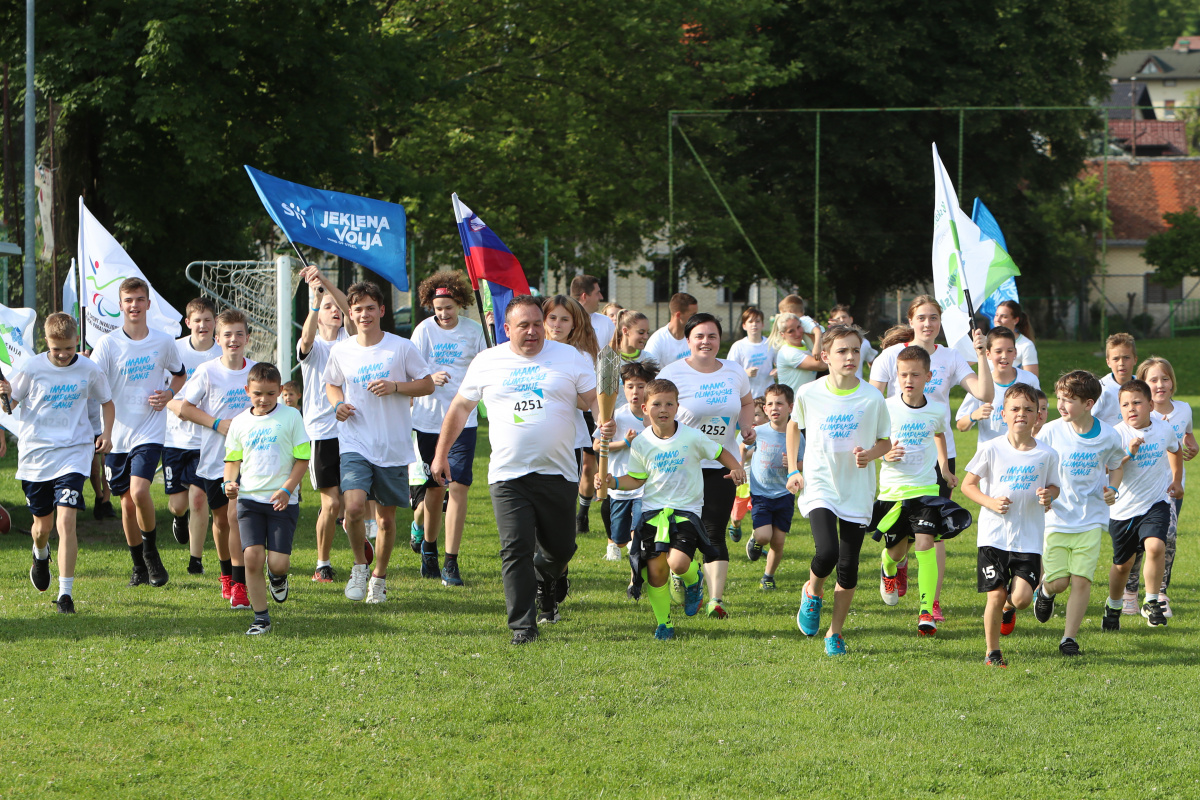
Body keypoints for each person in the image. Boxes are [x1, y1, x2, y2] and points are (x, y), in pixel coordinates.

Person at [432, 296, 611, 644]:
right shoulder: (488, 361)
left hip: (559, 471)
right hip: (507, 474)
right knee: (515, 549)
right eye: (524, 325)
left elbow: (594, 398)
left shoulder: (568, 357)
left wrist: (603, 420)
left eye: (537, 324)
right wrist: (441, 454)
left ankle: (546, 576)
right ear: (506, 328)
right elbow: (460, 408)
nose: (532, 331)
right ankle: (523, 627)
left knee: (561, 549)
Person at [869, 295, 991, 622]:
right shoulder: (891, 356)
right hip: (899, 459)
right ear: (910, 321)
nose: (927, 323)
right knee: (903, 539)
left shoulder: (951, 357)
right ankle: (895, 562)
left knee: (931, 533)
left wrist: (982, 355)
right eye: (921, 317)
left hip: (939, 457)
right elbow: (870, 404)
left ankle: (930, 604)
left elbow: (984, 393)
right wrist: (881, 448)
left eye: (933, 317)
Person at [598, 378, 746, 639]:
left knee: (677, 563)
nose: (663, 409)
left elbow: (719, 451)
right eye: (657, 404)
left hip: (686, 511)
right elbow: (637, 478)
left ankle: (694, 578)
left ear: (678, 407)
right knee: (656, 573)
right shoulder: (641, 443)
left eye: (669, 404)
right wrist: (614, 482)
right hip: (653, 514)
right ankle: (664, 623)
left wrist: (735, 467)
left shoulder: (692, 436)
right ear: (645, 409)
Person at [325, 281, 434, 604]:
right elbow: (332, 384)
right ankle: (360, 567)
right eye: (358, 309)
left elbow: (427, 384)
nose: (364, 314)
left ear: (382, 310)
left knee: (386, 520)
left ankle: (379, 578)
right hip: (355, 441)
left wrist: (395, 386)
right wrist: (338, 404)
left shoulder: (401, 347)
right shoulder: (341, 350)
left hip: (392, 445)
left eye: (370, 308)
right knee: (354, 507)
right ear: (350, 313)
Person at [788, 325, 890, 655]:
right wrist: (793, 469)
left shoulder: (872, 397)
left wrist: (870, 455)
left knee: (848, 567)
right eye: (842, 351)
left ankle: (835, 633)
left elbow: (886, 441)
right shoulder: (809, 393)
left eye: (855, 350)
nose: (850, 357)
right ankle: (813, 591)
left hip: (857, 489)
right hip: (820, 484)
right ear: (825, 356)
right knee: (827, 552)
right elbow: (793, 425)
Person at [2, 313, 114, 613]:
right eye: (56, 349)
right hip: (36, 457)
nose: (63, 355)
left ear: (77, 340)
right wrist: (6, 397)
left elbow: (107, 401)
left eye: (69, 348)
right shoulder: (32, 368)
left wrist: (107, 433)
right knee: (42, 528)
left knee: (66, 521)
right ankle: (40, 554)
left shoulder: (89, 369)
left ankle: (65, 594)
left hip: (74, 453)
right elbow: (10, 407)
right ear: (46, 343)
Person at [659, 312, 756, 618]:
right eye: (699, 336)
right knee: (681, 534)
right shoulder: (672, 373)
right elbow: (658, 413)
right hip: (682, 466)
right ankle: (684, 574)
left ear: (720, 340)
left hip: (722, 465)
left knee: (715, 532)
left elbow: (747, 402)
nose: (706, 341)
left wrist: (746, 426)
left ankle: (716, 600)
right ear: (688, 340)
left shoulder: (734, 371)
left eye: (712, 336)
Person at [91, 277, 186, 588]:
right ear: (120, 305)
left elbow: (180, 374)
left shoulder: (163, 341)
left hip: (149, 429)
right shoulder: (107, 344)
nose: (134, 305)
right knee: (127, 504)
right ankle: (138, 566)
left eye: (139, 299)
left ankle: (151, 554)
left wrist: (169, 394)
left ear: (148, 303)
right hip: (117, 435)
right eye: (128, 300)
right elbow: (91, 379)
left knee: (140, 491)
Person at [871, 346, 970, 636]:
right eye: (903, 375)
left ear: (928, 376)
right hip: (893, 491)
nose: (908, 380)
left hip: (925, 488)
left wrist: (945, 468)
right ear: (896, 376)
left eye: (915, 374)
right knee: (897, 551)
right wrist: (884, 454)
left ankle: (926, 611)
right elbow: (873, 441)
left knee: (926, 542)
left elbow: (939, 433)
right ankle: (889, 567)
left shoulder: (937, 409)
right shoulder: (886, 407)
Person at [960, 383, 1060, 667]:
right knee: (995, 593)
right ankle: (992, 652)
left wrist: (1048, 495)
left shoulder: (1047, 454)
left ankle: (1009, 606)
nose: (1021, 414)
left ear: (1038, 416)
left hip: (1029, 538)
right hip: (993, 536)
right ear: (1003, 414)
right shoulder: (991, 448)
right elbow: (968, 485)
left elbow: (1054, 486)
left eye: (1029, 409)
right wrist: (990, 502)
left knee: (1022, 599)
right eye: (1015, 409)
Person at [1031, 371, 1126, 656]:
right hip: (1056, 517)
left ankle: (1069, 638)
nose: (1061, 405)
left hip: (1091, 518)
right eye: (1059, 398)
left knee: (1082, 579)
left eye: (1069, 400)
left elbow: (1116, 465)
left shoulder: (1109, 435)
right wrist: (1042, 494)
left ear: (1088, 404)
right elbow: (1036, 462)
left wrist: (1113, 488)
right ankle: (1045, 591)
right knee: (1059, 581)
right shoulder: (1051, 431)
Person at [411, 271, 487, 586]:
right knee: (435, 488)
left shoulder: (473, 331)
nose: (443, 314)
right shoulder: (423, 331)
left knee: (458, 487)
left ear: (460, 304)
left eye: (449, 307)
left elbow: (485, 365)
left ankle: (450, 561)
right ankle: (428, 546)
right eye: (438, 308)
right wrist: (430, 377)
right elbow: (410, 369)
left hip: (463, 420)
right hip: (428, 420)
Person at [222, 362, 310, 635]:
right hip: (249, 501)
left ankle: (277, 577)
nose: (264, 399)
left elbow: (302, 459)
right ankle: (261, 618)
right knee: (252, 557)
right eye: (258, 393)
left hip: (282, 501)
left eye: (271, 393)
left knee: (278, 563)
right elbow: (232, 460)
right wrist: (228, 483)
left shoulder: (292, 416)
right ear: (247, 390)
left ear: (280, 390)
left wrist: (287, 489)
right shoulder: (239, 422)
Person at [177, 309, 256, 609]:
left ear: (247, 338)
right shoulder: (207, 371)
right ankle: (226, 575)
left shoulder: (258, 370)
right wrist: (217, 424)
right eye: (227, 335)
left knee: (237, 518)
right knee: (222, 521)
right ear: (218, 338)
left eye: (239, 334)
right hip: (215, 461)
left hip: (251, 461)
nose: (233, 340)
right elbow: (185, 408)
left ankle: (240, 584)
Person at [1102, 379, 1183, 630]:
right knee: (1123, 565)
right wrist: (1129, 453)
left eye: (1137, 402)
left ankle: (1151, 601)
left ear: (1150, 405)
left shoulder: (1163, 429)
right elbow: (1107, 468)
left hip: (1156, 503)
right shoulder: (1116, 434)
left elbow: (1175, 449)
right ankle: (1114, 605)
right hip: (1123, 509)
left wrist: (1176, 479)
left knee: (1156, 546)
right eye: (1125, 404)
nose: (1131, 408)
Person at [1123, 357, 1197, 617]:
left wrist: (1192, 443)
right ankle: (1130, 591)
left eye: (1165, 378)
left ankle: (1160, 593)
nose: (1160, 384)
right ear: (1143, 385)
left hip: (1171, 489)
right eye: (1153, 380)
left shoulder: (1184, 409)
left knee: (1168, 538)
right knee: (1137, 544)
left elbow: (1186, 434)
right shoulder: (1140, 413)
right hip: (1139, 491)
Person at [296, 267, 355, 583]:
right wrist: (316, 301)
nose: (335, 311)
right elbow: (306, 339)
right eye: (327, 308)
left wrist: (326, 284)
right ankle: (322, 564)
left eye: (336, 307)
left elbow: (351, 310)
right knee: (331, 504)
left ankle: (358, 550)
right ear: (318, 315)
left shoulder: (350, 340)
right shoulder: (314, 346)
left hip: (353, 430)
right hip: (322, 432)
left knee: (353, 502)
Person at [163, 297, 220, 576]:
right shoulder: (174, 350)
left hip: (206, 439)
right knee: (178, 505)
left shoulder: (223, 352)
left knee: (199, 498)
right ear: (188, 323)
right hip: (174, 439)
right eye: (197, 320)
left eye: (208, 320)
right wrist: (177, 406)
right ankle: (179, 518)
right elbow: (160, 388)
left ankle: (195, 561)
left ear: (215, 322)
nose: (203, 325)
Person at [542, 295, 601, 537]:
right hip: (531, 435)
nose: (557, 324)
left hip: (567, 438)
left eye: (564, 319)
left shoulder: (580, 356)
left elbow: (587, 403)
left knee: (561, 499)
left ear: (574, 324)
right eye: (552, 318)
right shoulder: (529, 352)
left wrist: (558, 390)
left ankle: (557, 548)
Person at [597, 361, 656, 570]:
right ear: (623, 388)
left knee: (640, 527)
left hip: (645, 485)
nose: (635, 392)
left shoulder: (655, 416)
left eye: (641, 386)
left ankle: (638, 558)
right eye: (630, 386)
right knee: (619, 538)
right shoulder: (616, 415)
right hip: (619, 484)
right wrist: (625, 443)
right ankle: (621, 544)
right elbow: (597, 445)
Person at [745, 384, 799, 590]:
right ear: (765, 409)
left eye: (780, 403)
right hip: (761, 492)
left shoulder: (796, 434)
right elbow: (742, 447)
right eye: (770, 404)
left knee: (778, 541)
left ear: (790, 407)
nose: (774, 407)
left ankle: (768, 576)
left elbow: (806, 460)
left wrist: (794, 465)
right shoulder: (758, 432)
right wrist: (739, 466)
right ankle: (755, 539)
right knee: (764, 536)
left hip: (785, 493)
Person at [956, 326, 1039, 445]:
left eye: (1009, 350)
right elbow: (960, 425)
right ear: (988, 354)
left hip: (1021, 451)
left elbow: (1040, 416)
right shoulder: (981, 385)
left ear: (1015, 353)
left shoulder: (1030, 380)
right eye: (998, 351)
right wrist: (974, 416)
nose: (1004, 356)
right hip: (990, 453)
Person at [728, 397, 767, 542]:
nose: (753, 419)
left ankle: (756, 542)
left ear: (767, 417)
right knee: (737, 515)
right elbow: (739, 452)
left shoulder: (768, 434)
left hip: (761, 483)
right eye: (752, 415)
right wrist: (757, 451)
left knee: (760, 514)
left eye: (757, 415)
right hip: (744, 482)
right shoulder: (745, 434)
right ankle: (735, 525)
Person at [768, 312, 824, 398]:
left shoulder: (805, 344)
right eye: (791, 331)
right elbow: (822, 365)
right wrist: (816, 332)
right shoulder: (787, 352)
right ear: (782, 334)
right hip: (793, 404)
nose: (798, 333)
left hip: (805, 401)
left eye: (799, 327)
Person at [728, 307, 775, 399]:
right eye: (750, 322)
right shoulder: (738, 346)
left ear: (762, 324)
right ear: (744, 326)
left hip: (768, 395)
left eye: (757, 321)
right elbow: (730, 372)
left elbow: (780, 364)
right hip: (747, 396)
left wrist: (777, 371)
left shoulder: (771, 344)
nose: (754, 324)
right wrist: (745, 373)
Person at [1092, 333, 1136, 427]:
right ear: (1108, 362)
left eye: (1126, 358)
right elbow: (1087, 419)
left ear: (1135, 360)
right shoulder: (1100, 388)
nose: (1121, 363)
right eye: (1116, 359)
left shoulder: (1143, 384)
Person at [644, 292, 698, 368]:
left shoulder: (695, 337)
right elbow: (648, 370)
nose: (696, 319)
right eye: (693, 315)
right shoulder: (658, 340)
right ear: (678, 315)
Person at [570, 274, 615, 359]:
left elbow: (615, 354)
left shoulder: (605, 322)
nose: (601, 297)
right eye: (597, 293)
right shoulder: (564, 321)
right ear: (584, 296)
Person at [828, 304, 876, 380]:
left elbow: (873, 363)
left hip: (857, 384)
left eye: (844, 317)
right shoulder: (828, 342)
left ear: (851, 319)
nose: (842, 320)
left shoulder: (863, 342)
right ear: (831, 321)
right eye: (838, 318)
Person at [993, 300, 1038, 376]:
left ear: (1016, 320)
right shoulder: (987, 341)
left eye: (1004, 317)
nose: (998, 320)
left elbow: (1032, 378)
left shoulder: (1026, 345)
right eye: (996, 315)